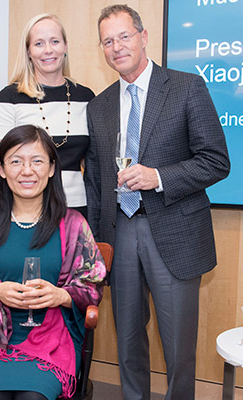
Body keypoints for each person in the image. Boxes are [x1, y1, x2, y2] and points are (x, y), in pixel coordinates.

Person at [84, 4, 230, 400]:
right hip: (121, 230)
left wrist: (159, 177)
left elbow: (217, 161)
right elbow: (96, 180)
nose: (117, 47)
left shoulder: (186, 87)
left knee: (178, 344)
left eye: (124, 36)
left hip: (175, 231)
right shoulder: (98, 106)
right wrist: (101, 245)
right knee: (128, 339)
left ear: (144, 36)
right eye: (108, 41)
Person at [0, 125, 106, 400]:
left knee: (32, 397)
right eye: (16, 161)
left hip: (53, 339)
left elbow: (92, 286)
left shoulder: (72, 225)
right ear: (1, 169)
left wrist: (60, 295)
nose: (27, 171)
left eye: (37, 161)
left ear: (50, 168)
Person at [0, 13, 94, 218]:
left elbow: (93, 165)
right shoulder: (9, 98)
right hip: (28, 213)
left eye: (54, 41)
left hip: (78, 212)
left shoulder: (85, 97)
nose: (48, 50)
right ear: (28, 51)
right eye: (39, 43)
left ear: (65, 46)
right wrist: (24, 210)